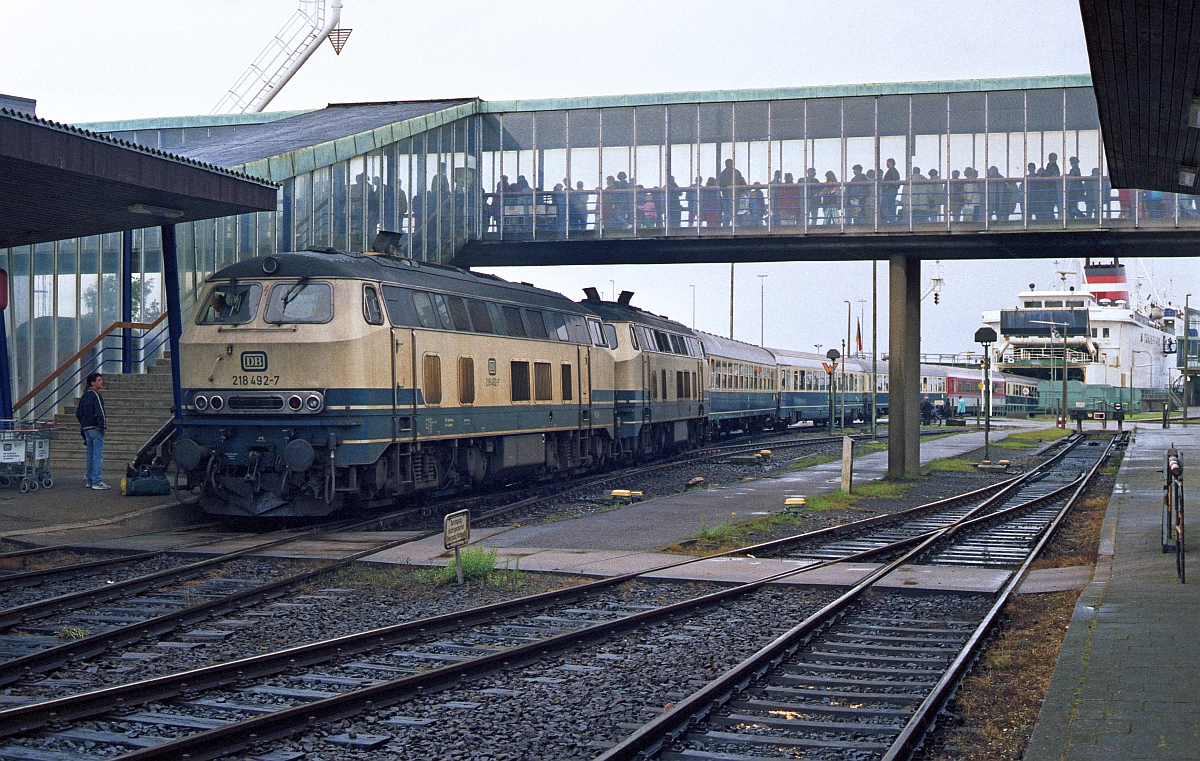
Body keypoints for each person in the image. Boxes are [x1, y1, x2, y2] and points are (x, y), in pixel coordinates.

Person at [76, 372, 110, 490]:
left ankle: (89, 480)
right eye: (99, 380)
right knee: (97, 456)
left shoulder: (85, 395)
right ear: (93, 382)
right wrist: (102, 426)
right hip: (95, 428)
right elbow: (100, 412)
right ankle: (97, 481)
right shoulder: (96, 395)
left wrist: (84, 424)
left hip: (86, 428)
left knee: (89, 455)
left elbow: (78, 413)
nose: (102, 382)